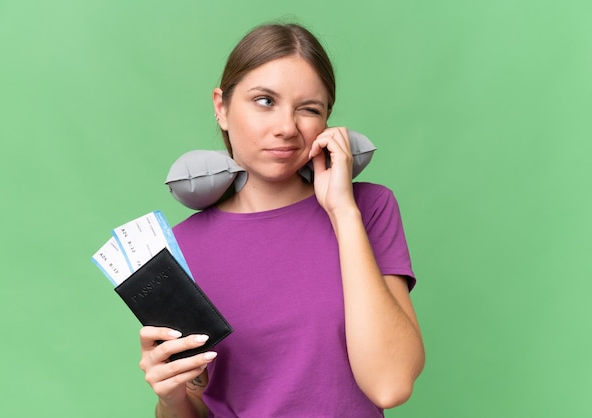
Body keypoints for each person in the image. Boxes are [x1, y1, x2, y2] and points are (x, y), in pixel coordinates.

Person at [138, 22, 425, 418]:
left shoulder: (368, 209)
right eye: (265, 101)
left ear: (328, 123)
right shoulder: (179, 250)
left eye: (309, 109)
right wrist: (170, 399)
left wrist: (342, 211)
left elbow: (390, 384)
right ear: (221, 107)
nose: (287, 128)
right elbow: (201, 405)